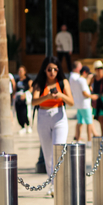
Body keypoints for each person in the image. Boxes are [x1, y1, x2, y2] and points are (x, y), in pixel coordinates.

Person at [32, 56, 74, 196]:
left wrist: (60, 94)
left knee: (59, 150)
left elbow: (71, 102)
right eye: (49, 69)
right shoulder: (39, 82)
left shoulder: (63, 82)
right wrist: (48, 97)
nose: (52, 72)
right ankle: (52, 184)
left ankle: (59, 184)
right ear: (45, 70)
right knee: (48, 154)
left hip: (59, 117)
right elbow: (34, 101)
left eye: (55, 69)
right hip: (43, 117)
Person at [70, 61, 98, 144]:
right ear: (85, 72)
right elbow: (85, 93)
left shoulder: (76, 79)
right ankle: (89, 141)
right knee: (89, 123)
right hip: (85, 105)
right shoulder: (82, 80)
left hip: (79, 104)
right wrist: (93, 96)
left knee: (79, 122)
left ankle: (78, 139)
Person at [14, 65, 33, 134]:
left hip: (25, 98)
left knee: (26, 113)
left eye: (21, 71)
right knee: (19, 113)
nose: (20, 72)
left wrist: (25, 94)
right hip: (18, 98)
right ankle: (22, 126)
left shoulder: (28, 79)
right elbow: (15, 89)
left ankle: (28, 125)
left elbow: (31, 88)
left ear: (24, 72)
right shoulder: (17, 80)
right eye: (19, 71)